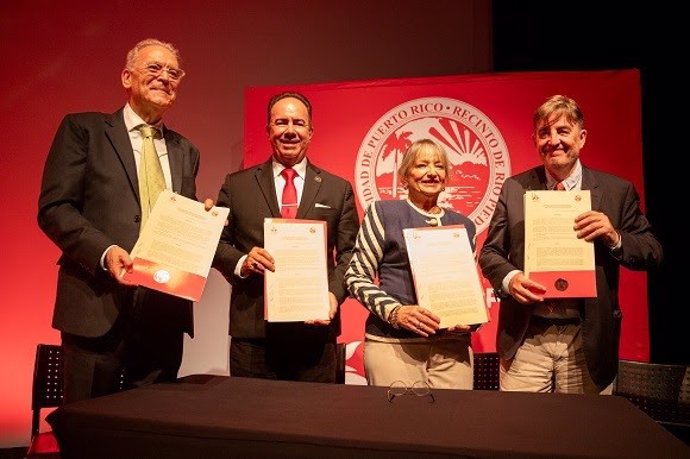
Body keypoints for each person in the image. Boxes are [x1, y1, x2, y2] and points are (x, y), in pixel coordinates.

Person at [38, 38, 201, 403]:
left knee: (152, 431)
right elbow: (55, 207)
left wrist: (200, 222)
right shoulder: (85, 130)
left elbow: (180, 219)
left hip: (163, 313)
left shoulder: (186, 150)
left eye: (173, 72)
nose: (164, 77)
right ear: (127, 78)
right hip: (97, 306)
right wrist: (105, 250)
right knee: (90, 432)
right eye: (154, 68)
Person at [479, 94, 663, 394]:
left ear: (582, 137)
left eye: (562, 131)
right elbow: (490, 252)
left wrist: (614, 236)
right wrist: (511, 279)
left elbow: (653, 252)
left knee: (584, 436)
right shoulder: (514, 188)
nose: (554, 141)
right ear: (535, 141)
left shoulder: (617, 191)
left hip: (587, 337)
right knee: (521, 434)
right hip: (527, 337)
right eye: (544, 133)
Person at [213, 91, 359, 382]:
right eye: (281, 122)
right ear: (268, 130)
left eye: (298, 123)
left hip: (316, 333)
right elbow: (215, 242)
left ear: (310, 132)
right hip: (253, 334)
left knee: (313, 424)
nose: (290, 131)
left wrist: (333, 295)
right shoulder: (237, 185)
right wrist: (242, 261)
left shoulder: (336, 189)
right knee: (250, 421)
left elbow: (350, 255)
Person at [345, 139, 478, 389]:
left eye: (438, 166)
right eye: (421, 165)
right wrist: (396, 313)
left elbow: (469, 287)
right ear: (405, 176)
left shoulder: (464, 225)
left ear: (446, 176)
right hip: (393, 346)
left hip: (453, 348)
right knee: (399, 427)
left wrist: (471, 319)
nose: (431, 172)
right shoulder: (383, 213)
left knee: (453, 425)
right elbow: (355, 277)